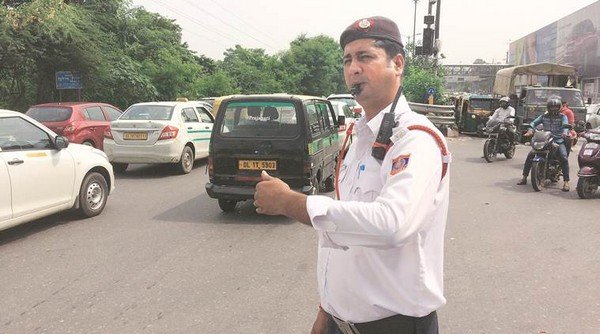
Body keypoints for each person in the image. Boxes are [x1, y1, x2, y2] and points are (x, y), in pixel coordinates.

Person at [253, 16, 450, 334]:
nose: (353, 68)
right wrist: (327, 309)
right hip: (340, 323)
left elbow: (391, 225)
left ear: (397, 64)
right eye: (347, 60)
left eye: (365, 57)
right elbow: (349, 228)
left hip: (395, 326)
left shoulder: (414, 138)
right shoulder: (358, 136)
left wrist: (292, 203)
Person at [517, 97, 571, 191]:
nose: (553, 109)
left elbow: (566, 126)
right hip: (545, 139)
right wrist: (530, 130)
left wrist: (565, 133)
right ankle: (524, 177)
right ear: (548, 107)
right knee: (530, 155)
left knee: (563, 157)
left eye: (556, 107)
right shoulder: (543, 116)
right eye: (551, 107)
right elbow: (534, 123)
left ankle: (566, 182)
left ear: (559, 107)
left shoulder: (563, 117)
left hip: (558, 140)